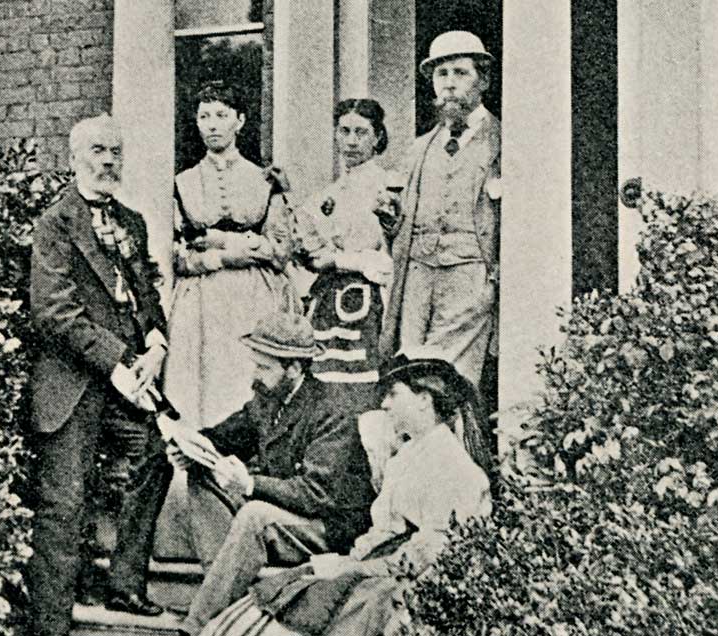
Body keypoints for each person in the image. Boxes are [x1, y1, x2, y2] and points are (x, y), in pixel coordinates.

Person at [115, 311, 376, 635]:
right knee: (202, 474)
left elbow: (316, 494)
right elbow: (225, 436)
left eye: (264, 367)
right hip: (287, 510)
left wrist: (250, 483)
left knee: (255, 515)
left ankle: (197, 627)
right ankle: (224, 598)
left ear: (294, 368)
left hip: (328, 525)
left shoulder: (334, 411)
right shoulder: (268, 397)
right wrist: (189, 446)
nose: (256, 374)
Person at [199, 350, 493, 636]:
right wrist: (349, 562)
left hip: (403, 589)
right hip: (377, 567)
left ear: (423, 401)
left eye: (394, 394)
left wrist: (352, 568)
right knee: (274, 598)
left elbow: (425, 558)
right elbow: (383, 532)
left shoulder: (451, 468)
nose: (385, 404)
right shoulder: (409, 453)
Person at [26, 113, 172, 636]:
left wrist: (156, 339)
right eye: (96, 151)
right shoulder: (55, 222)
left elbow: (145, 291)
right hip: (73, 382)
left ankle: (126, 585)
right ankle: (51, 627)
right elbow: (54, 311)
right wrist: (116, 362)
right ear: (73, 159)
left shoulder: (131, 220)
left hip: (126, 379)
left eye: (115, 150)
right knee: (64, 503)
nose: (108, 160)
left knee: (156, 454)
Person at [166, 81, 299, 431]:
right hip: (201, 299)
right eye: (204, 116)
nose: (212, 124)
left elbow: (282, 249)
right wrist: (217, 259)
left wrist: (238, 246)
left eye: (221, 115)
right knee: (201, 385)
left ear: (239, 121)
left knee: (246, 376)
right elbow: (175, 253)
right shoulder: (183, 183)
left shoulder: (263, 179)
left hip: (252, 296)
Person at [378, 31, 502, 385]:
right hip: (417, 275)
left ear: (483, 81)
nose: (449, 84)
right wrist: (389, 218)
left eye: (460, 73)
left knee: (451, 377)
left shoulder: (503, 142)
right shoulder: (419, 148)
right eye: (441, 74)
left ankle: (454, 442)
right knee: (410, 369)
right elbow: (400, 225)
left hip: (469, 274)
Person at [293, 98, 394, 387]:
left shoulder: (386, 188)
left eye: (360, 133)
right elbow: (306, 235)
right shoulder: (331, 192)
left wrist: (338, 260)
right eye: (344, 131)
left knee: (360, 381)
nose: (351, 141)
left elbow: (389, 259)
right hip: (328, 300)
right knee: (324, 381)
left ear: (377, 137)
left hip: (369, 301)